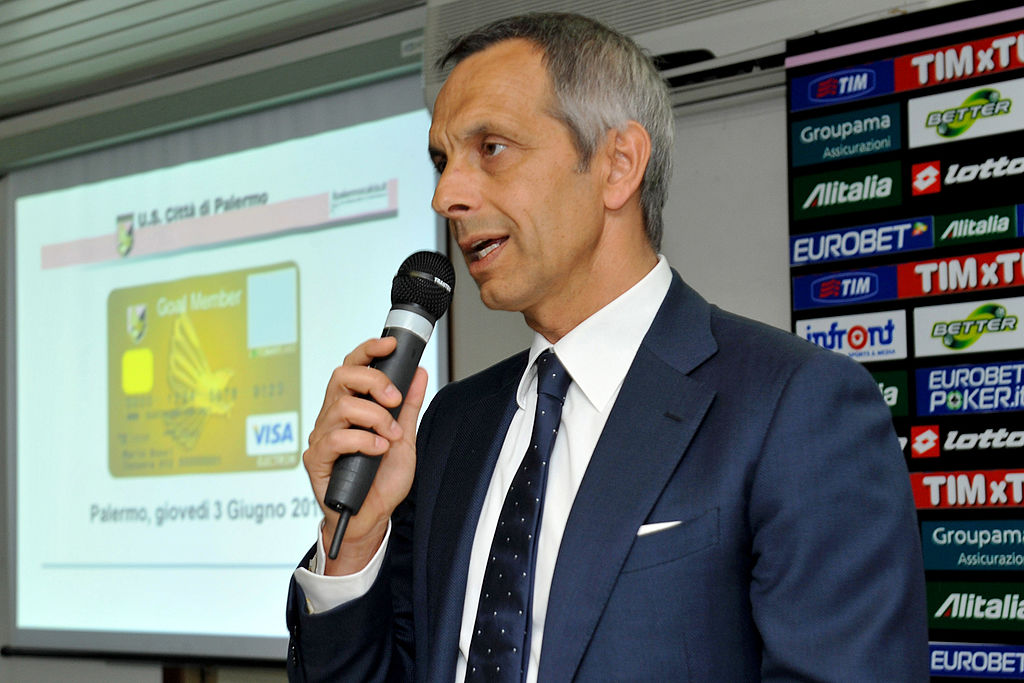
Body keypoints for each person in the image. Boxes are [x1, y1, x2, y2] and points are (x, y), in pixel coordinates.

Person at [287, 12, 928, 682]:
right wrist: (354, 543)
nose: (448, 194)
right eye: (443, 162)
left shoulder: (795, 406)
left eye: (492, 149)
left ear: (618, 165)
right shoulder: (450, 424)